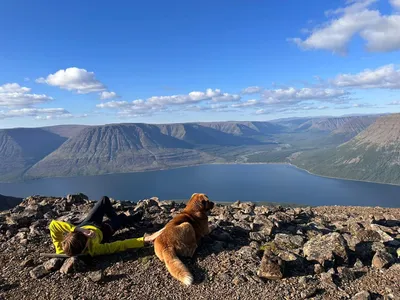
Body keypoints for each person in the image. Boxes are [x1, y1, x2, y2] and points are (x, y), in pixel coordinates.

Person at [49, 196, 164, 256]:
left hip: (86, 224)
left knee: (104, 200)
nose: (90, 235)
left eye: (86, 235)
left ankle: (117, 219)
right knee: (120, 220)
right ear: (84, 248)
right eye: (88, 239)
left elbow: (53, 225)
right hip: (103, 231)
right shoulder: (95, 249)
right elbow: (120, 245)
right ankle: (125, 220)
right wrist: (145, 239)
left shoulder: (61, 248)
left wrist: (80, 229)